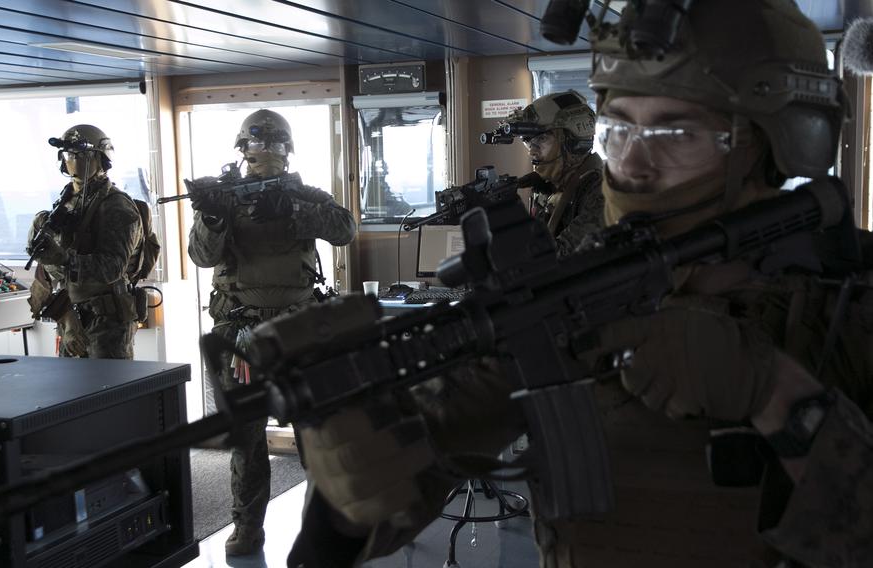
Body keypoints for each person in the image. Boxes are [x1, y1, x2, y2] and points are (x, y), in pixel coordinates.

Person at [296, 2, 873, 567]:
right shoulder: (578, 293)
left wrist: (777, 395)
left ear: (780, 142)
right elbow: (384, 499)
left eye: (676, 133)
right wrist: (353, 494)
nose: (634, 165)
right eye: (620, 130)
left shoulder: (851, 301)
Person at [187, 109, 355, 556]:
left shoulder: (308, 195)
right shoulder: (224, 200)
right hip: (241, 332)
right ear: (242, 152)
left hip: (297, 331)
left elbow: (345, 230)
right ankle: (248, 526)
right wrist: (213, 216)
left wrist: (295, 208)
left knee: (314, 436)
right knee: (245, 437)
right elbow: (202, 257)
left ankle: (323, 526)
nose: (264, 155)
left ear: (288, 152)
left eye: (274, 147)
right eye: (256, 147)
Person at [26, 124, 142, 359]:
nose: (75, 161)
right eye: (70, 155)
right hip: (69, 317)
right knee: (73, 392)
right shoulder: (65, 203)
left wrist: (66, 259)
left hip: (107, 322)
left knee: (110, 391)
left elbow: (112, 268)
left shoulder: (116, 206)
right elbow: (54, 273)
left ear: (101, 159)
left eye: (84, 155)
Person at [507, 91, 604, 255]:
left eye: (542, 139)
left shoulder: (601, 191)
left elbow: (559, 257)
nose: (532, 152)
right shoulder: (550, 185)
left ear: (573, 142)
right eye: (528, 142)